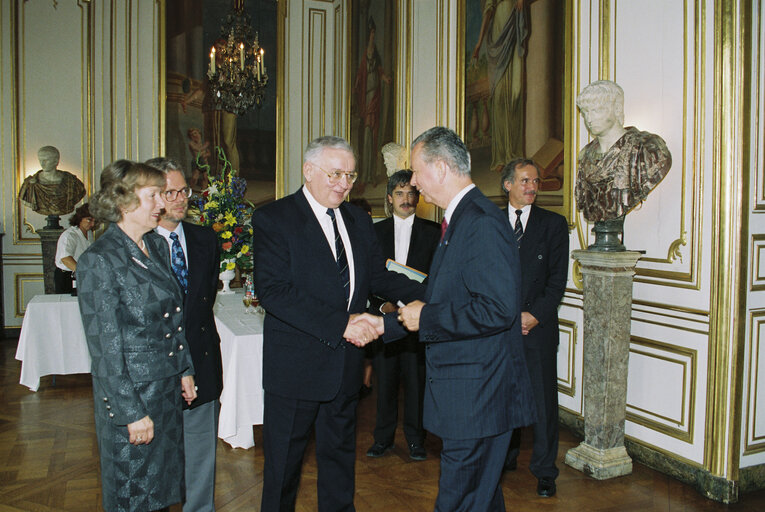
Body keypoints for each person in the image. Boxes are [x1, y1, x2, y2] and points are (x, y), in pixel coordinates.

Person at [251, 135, 424, 512]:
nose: (344, 183)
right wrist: (341, 324)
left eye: (350, 174)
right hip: (295, 368)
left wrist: (431, 290)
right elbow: (275, 292)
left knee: (339, 463)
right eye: (335, 173)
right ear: (308, 171)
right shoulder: (274, 218)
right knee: (283, 468)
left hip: (344, 365)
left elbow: (378, 277)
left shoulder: (358, 219)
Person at [397, 126, 536, 512]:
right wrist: (392, 320)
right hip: (472, 394)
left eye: (416, 170)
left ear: (440, 168)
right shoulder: (461, 219)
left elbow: (497, 309)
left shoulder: (479, 222)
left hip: (479, 396)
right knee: (482, 498)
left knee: (460, 501)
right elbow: (451, 292)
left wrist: (428, 317)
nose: (413, 181)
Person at [77, 160, 197, 512]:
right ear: (123, 201)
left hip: (164, 393)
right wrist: (130, 412)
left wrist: (184, 368)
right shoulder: (100, 260)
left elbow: (173, 317)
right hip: (134, 398)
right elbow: (105, 349)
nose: (162, 203)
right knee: (134, 495)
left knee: (160, 492)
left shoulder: (155, 246)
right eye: (154, 195)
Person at [148, 157, 223, 512]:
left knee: (200, 458)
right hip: (154, 373)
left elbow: (203, 302)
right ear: (151, 196)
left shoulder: (205, 239)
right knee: (154, 464)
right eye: (170, 192)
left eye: (184, 190)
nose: (181, 199)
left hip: (202, 361)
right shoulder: (136, 244)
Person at [500, 158, 569, 497]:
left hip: (537, 328)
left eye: (536, 181)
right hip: (498, 328)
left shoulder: (553, 224)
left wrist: (533, 316)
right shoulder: (490, 223)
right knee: (503, 397)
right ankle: (505, 456)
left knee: (542, 403)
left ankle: (544, 470)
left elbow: (557, 282)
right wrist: (505, 318)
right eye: (524, 180)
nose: (532, 187)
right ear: (507, 185)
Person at [365, 170, 440, 461]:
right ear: (389, 198)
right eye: (399, 194)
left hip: (419, 318)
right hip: (385, 318)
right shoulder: (374, 232)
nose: (406, 199)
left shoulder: (434, 233)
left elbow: (436, 278)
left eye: (411, 193)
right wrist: (383, 307)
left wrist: (417, 306)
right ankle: (382, 439)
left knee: (416, 382)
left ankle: (415, 440)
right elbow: (368, 276)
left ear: (417, 198)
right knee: (384, 382)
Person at [574, 80, 672, 223]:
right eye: (585, 112)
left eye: (596, 110)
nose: (589, 119)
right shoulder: (586, 156)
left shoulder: (647, 149)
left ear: (617, 109)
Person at [472, 0, 532, 171]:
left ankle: (514, 154)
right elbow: (488, 12)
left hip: (513, 27)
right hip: (498, 35)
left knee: (516, 93)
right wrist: (478, 44)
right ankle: (500, 156)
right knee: (498, 98)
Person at [18, 145, 86, 216]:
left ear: (56, 161)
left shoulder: (72, 182)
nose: (42, 163)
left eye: (46, 160)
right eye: (40, 160)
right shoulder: (29, 185)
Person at [53, 203, 96, 294]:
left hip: (80, 275)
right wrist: (84, 273)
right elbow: (66, 259)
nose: (92, 224)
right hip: (66, 276)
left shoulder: (89, 234)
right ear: (80, 218)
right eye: (89, 220)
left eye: (94, 221)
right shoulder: (70, 235)